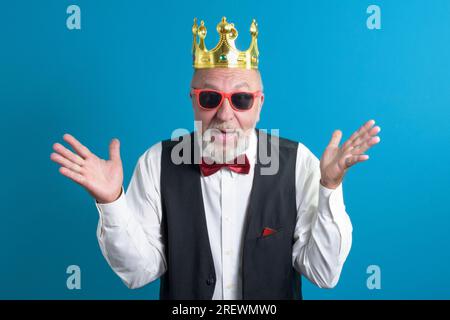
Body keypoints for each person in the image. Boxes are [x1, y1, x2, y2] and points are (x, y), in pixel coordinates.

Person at [50, 17, 381, 299]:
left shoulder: (300, 164)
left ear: (259, 102)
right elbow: (139, 273)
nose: (224, 114)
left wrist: (330, 186)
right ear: (193, 100)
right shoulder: (156, 163)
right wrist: (111, 202)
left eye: (240, 99)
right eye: (210, 98)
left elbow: (324, 274)